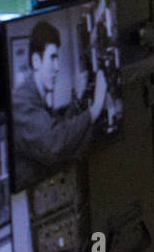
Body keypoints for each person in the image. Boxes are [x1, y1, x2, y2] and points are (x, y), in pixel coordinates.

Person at [12, 19, 107, 190]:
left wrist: (78, 101)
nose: (57, 68)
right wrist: (94, 110)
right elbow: (53, 143)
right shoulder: (21, 101)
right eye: (52, 58)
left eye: (58, 59)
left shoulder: (38, 101)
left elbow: (60, 129)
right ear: (36, 61)